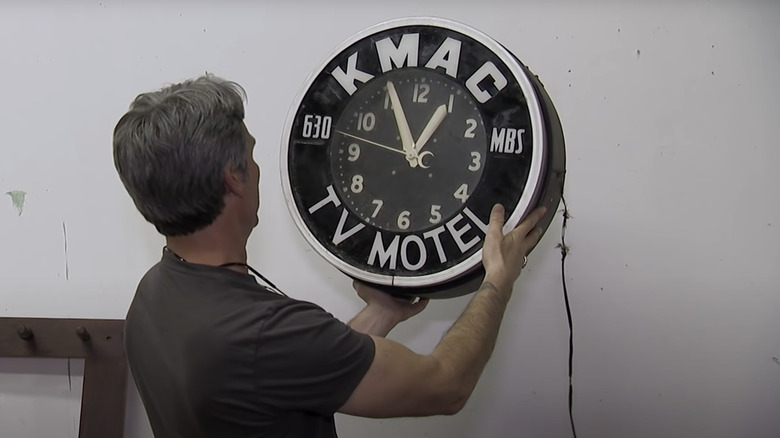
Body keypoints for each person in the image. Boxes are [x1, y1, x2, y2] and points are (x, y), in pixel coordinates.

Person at [113, 74, 546, 438]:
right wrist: (496, 282)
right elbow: (446, 385)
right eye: (252, 153)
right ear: (234, 180)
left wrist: (382, 315)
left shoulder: (152, 296)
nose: (259, 167)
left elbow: (290, 368)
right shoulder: (269, 333)